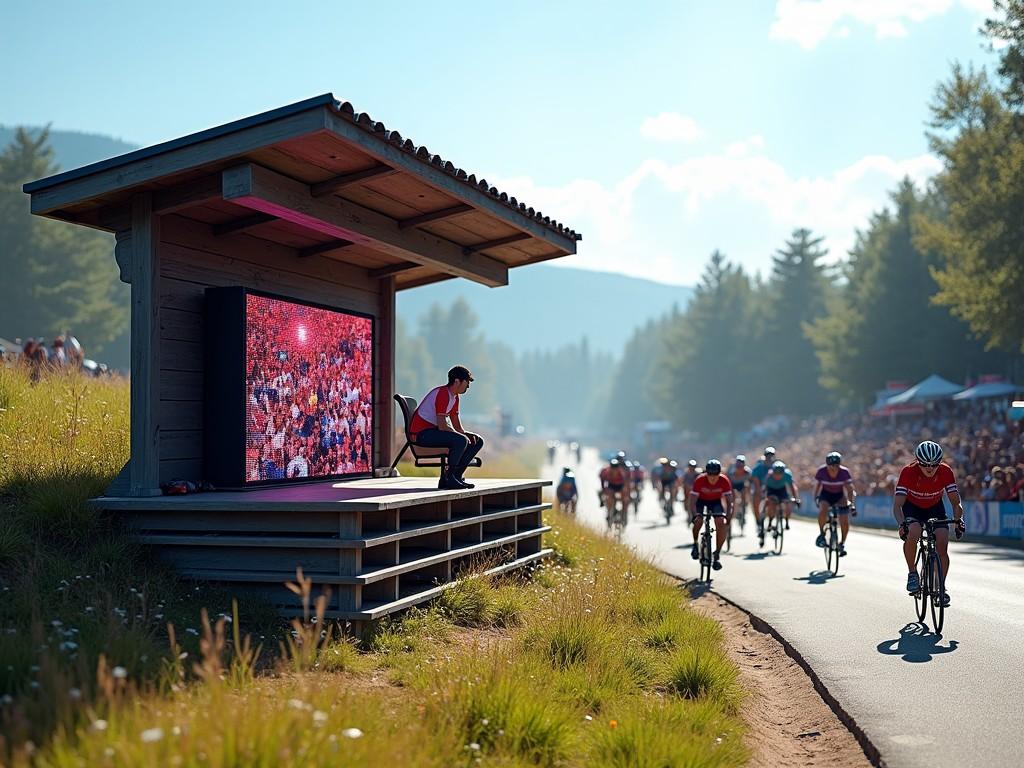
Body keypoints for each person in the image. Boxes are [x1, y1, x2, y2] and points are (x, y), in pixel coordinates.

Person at [894, 440, 965, 606]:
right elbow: (897, 506)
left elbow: (956, 503)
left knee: (942, 540)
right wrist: (901, 523)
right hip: (913, 507)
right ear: (918, 462)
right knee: (914, 530)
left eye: (934, 465)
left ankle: (941, 588)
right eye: (925, 464)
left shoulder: (946, 471)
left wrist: (958, 520)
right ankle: (912, 573)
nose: (930, 468)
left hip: (935, 507)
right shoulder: (908, 472)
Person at [409, 365, 484, 490]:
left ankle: (456, 477)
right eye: (466, 382)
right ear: (457, 381)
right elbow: (443, 425)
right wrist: (462, 437)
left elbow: (456, 425)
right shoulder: (443, 393)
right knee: (461, 440)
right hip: (422, 434)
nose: (468, 386)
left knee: (477, 441)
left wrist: (467, 435)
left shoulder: (454, 397)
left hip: (433, 432)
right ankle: (449, 478)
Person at [689, 459, 734, 571]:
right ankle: (695, 544)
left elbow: (729, 502)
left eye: (715, 475)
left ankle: (717, 553)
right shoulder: (700, 480)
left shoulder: (724, 480)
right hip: (701, 501)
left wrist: (728, 517)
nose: (712, 477)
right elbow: (692, 501)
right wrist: (695, 515)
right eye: (710, 475)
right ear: (706, 473)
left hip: (715, 502)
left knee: (720, 523)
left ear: (719, 474)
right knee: (699, 521)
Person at [814, 451, 856, 554]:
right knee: (823, 510)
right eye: (831, 466)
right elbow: (817, 487)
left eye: (836, 466)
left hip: (839, 496)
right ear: (827, 465)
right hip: (825, 495)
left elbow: (850, 489)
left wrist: (851, 504)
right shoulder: (821, 471)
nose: (834, 468)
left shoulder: (844, 472)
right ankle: (822, 534)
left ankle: (842, 544)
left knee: (844, 520)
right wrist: (816, 498)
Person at [760, 460, 798, 546]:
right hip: (771, 490)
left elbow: (792, 487)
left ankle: (786, 520)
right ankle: (770, 521)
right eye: (776, 474)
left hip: (782, 490)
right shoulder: (769, 476)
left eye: (780, 474)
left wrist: (795, 498)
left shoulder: (787, 475)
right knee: (771, 504)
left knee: (788, 503)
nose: (778, 476)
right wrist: (764, 496)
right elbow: (764, 488)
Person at [750, 446, 776, 537]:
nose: (770, 457)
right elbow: (756, 482)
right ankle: (758, 522)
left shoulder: (775, 467)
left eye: (771, 455)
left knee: (773, 504)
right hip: (759, 487)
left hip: (770, 488)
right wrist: (760, 492)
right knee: (755, 503)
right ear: (765, 456)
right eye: (768, 455)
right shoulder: (758, 468)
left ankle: (770, 521)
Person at [602, 458, 630, 528]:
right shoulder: (607, 472)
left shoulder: (621, 472)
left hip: (620, 486)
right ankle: (609, 512)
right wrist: (604, 490)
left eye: (616, 467)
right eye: (613, 467)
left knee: (625, 499)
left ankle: (624, 513)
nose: (614, 469)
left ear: (618, 467)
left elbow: (625, 483)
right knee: (609, 498)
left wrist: (626, 493)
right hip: (611, 486)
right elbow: (603, 480)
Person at [727, 455, 751, 531]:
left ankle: (743, 508)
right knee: (733, 498)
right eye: (738, 466)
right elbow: (727, 482)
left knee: (745, 491)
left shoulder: (747, 472)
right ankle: (734, 510)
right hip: (732, 484)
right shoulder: (731, 472)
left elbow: (750, 482)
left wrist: (748, 495)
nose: (740, 468)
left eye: (741, 466)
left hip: (741, 484)